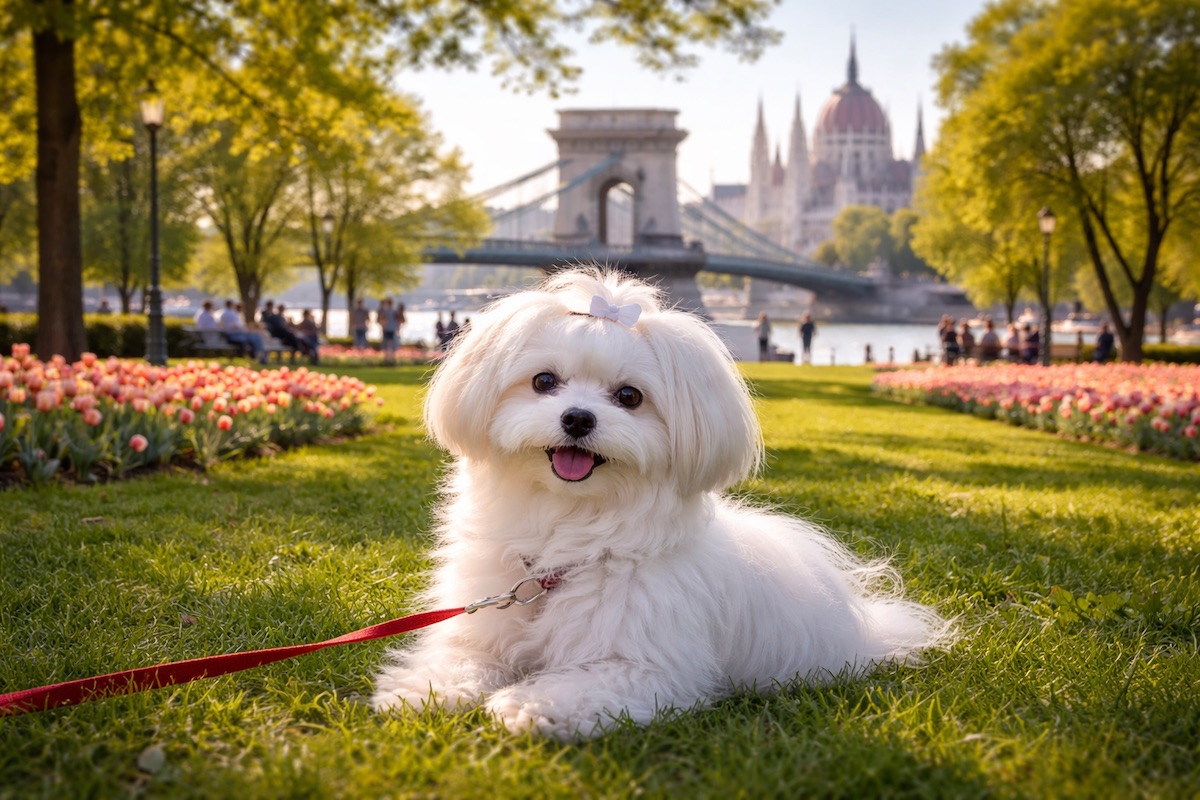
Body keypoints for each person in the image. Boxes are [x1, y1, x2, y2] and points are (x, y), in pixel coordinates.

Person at [218, 299, 267, 364]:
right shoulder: (230, 314)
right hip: (234, 335)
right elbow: (235, 326)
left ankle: (259, 355)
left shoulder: (225, 313)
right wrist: (246, 329)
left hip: (235, 334)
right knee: (256, 338)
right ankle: (260, 356)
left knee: (256, 337)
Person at [378, 298, 405, 364]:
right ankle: (390, 358)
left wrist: (383, 327)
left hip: (389, 329)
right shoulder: (393, 311)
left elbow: (382, 319)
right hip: (391, 329)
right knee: (391, 344)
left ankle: (388, 358)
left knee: (388, 344)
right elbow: (399, 320)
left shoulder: (387, 311)